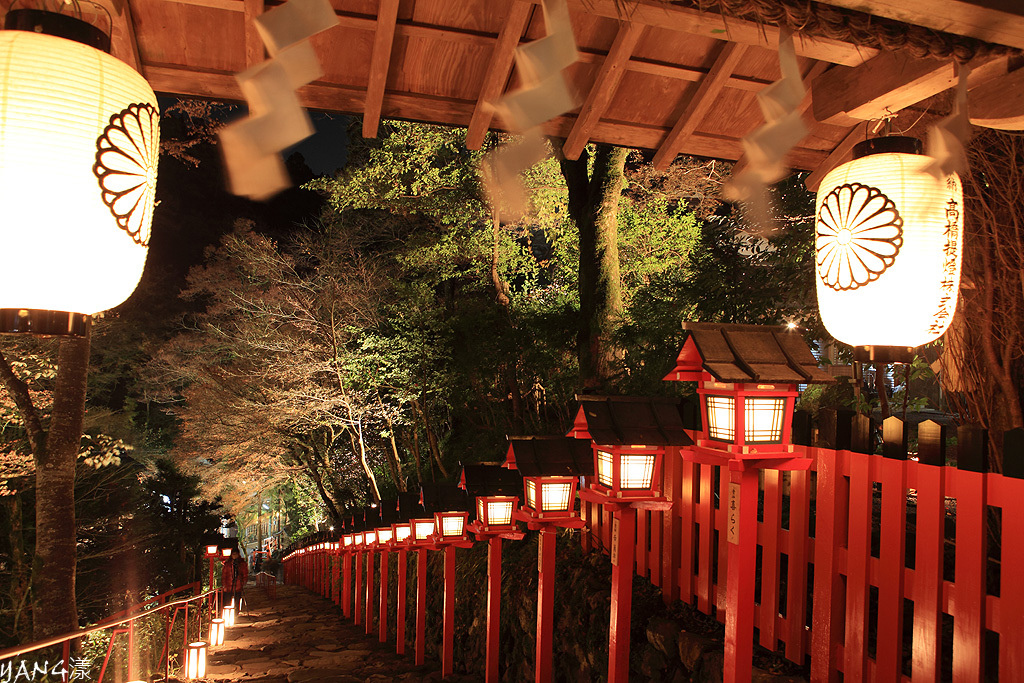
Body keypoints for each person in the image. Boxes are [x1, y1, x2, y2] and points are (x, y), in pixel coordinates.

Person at [222, 548, 249, 614]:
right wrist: (224, 584)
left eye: (235, 554)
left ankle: (236, 612)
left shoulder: (242, 563)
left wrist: (243, 581)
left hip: (238, 585)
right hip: (228, 585)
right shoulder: (228, 564)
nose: (234, 556)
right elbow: (224, 574)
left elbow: (245, 573)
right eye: (233, 554)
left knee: (237, 599)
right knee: (227, 600)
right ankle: (227, 613)